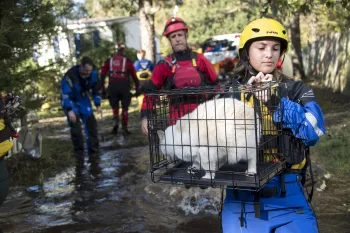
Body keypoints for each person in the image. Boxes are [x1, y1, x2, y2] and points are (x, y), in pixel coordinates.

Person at [221, 18, 326, 233]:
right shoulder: (229, 92)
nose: (269, 53)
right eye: (261, 47)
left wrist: (276, 101)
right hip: (240, 201)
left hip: (290, 198)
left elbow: (314, 132)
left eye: (275, 48)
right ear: (246, 54)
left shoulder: (296, 89)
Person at [140, 16, 218, 135]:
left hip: (203, 120)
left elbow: (217, 86)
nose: (177, 39)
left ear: (186, 36)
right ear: (169, 40)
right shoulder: (164, 65)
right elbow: (150, 94)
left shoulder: (200, 60)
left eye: (180, 35)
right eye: (173, 36)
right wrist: (145, 117)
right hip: (177, 124)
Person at [60, 56, 102, 165]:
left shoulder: (93, 74)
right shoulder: (70, 75)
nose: (88, 73)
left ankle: (94, 154)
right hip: (71, 101)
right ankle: (79, 155)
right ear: (81, 67)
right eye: (86, 70)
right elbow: (65, 94)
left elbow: (96, 90)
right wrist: (69, 110)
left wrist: (98, 104)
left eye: (90, 70)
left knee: (91, 125)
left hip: (83, 100)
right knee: (76, 127)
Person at [100, 42, 140, 135]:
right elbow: (134, 76)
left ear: (115, 50)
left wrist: (102, 90)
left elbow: (102, 76)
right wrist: (138, 89)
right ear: (123, 50)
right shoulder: (128, 61)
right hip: (124, 86)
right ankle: (125, 128)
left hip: (112, 86)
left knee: (115, 106)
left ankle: (115, 124)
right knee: (125, 108)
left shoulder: (108, 61)